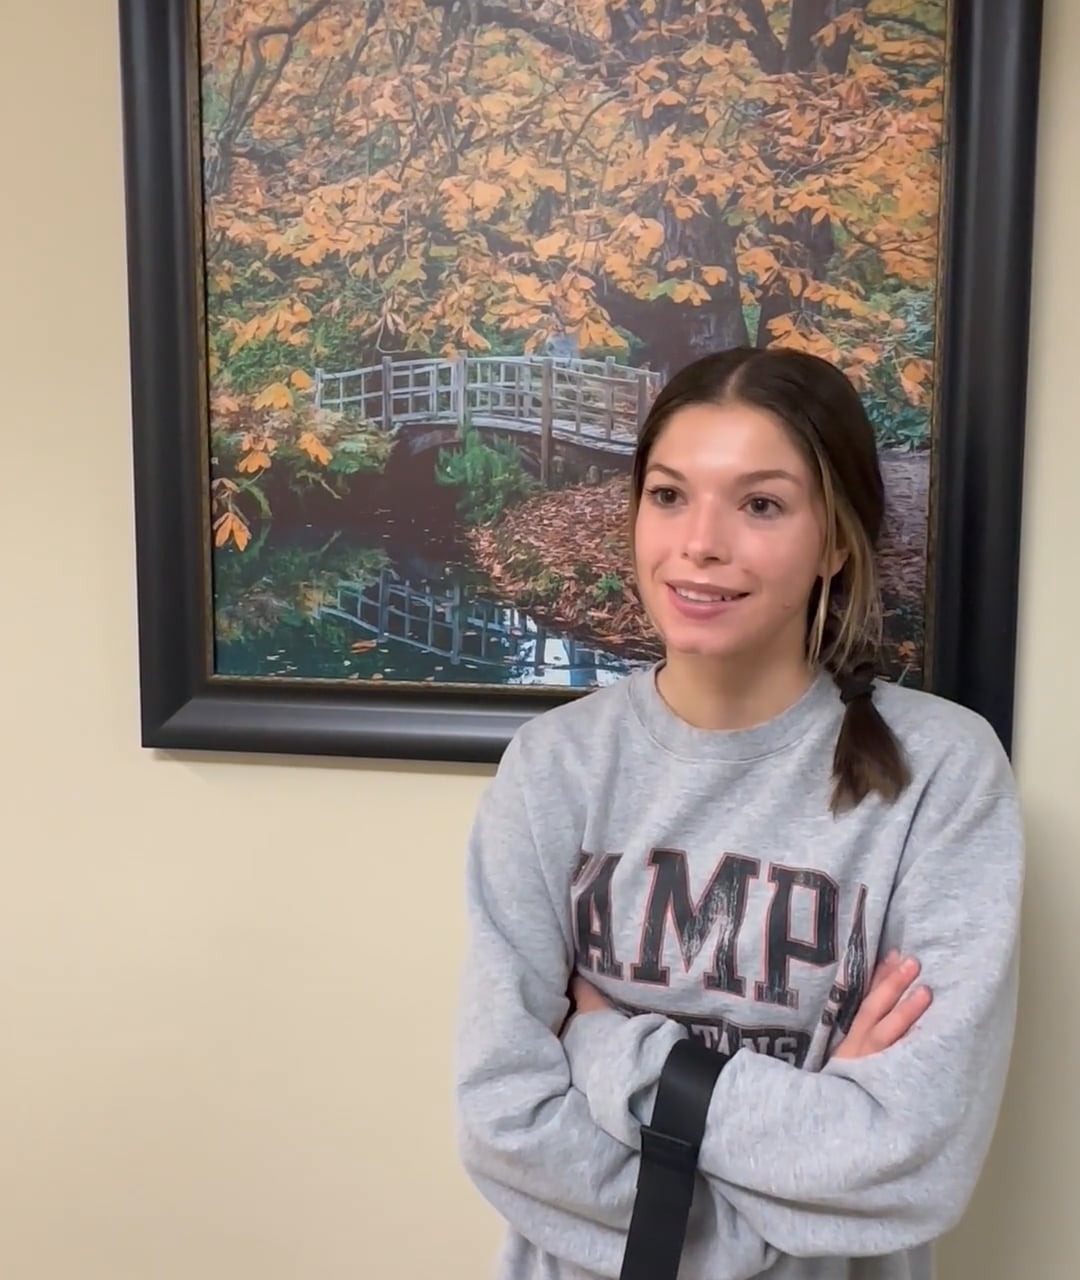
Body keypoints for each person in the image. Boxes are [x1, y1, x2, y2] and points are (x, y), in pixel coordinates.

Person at [453, 346, 1023, 1280]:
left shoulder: (942, 776)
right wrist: (788, 1185)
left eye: (760, 504)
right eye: (670, 495)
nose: (700, 543)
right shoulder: (552, 768)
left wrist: (606, 1049)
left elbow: (908, 1157)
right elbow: (505, 1121)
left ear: (835, 538)